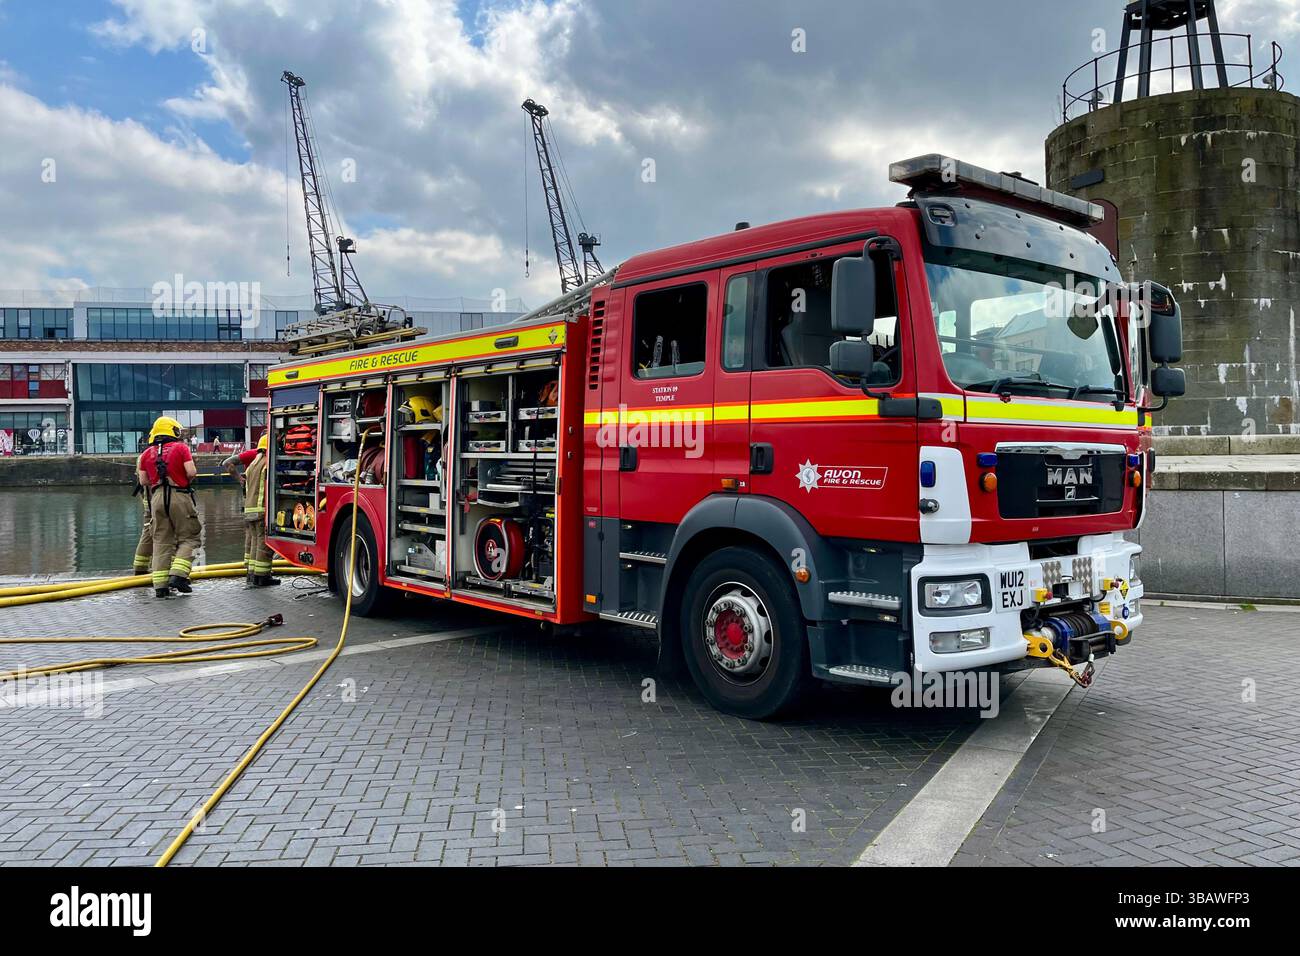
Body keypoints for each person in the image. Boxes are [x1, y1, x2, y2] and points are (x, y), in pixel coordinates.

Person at [137, 416, 201, 598]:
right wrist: (182, 481)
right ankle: (179, 576)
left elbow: (143, 481)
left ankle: (160, 587)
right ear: (173, 430)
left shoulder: (146, 454)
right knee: (189, 537)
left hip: (156, 498)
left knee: (161, 541)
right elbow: (191, 472)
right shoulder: (181, 448)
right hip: (179, 495)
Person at [222, 434, 279, 587]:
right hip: (261, 509)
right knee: (263, 543)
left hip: (249, 509)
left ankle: (252, 574)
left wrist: (239, 480)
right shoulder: (268, 462)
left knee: (253, 541)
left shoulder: (253, 464)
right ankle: (262, 576)